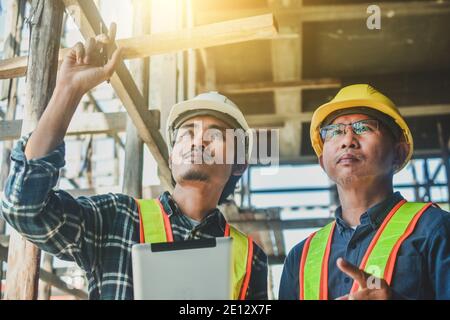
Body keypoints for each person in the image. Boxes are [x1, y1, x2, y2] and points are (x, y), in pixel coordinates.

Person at [1, 24, 267, 300]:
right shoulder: (117, 218)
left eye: (215, 135)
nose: (198, 141)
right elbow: (24, 209)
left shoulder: (249, 258)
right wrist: (68, 92)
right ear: (173, 153)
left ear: (239, 164)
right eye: (187, 133)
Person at [279, 84, 450, 300]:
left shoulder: (436, 229)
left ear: (398, 153)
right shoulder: (300, 257)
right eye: (334, 131)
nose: (347, 140)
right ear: (323, 162)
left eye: (364, 128)